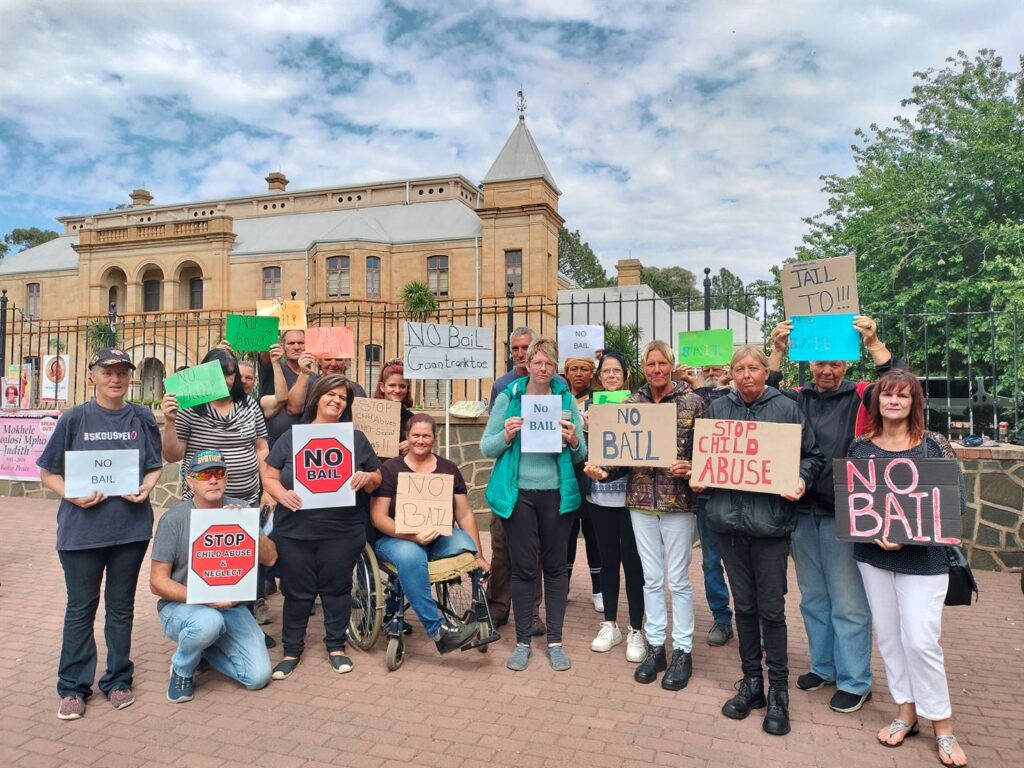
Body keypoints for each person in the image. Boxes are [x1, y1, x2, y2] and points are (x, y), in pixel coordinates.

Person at [768, 315, 902, 714]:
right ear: (809, 363)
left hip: (847, 513)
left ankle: (855, 680)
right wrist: (776, 349)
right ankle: (823, 667)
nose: (827, 370)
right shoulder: (797, 397)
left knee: (848, 602)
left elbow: (898, 385)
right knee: (813, 598)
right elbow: (765, 392)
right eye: (820, 363)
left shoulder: (863, 395)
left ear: (847, 363)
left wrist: (875, 341)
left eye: (835, 363)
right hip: (801, 510)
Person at [691, 345, 825, 736]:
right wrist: (701, 481)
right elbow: (706, 459)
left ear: (767, 372)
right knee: (744, 608)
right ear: (730, 374)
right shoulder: (717, 410)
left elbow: (812, 456)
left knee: (771, 610)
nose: (747, 374)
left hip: (769, 526)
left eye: (754, 368)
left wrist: (801, 479)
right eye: (739, 369)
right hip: (728, 525)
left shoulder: (786, 408)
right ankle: (752, 684)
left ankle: (779, 691)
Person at [847, 370, 968, 767]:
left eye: (903, 395)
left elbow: (956, 504)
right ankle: (905, 712)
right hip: (875, 558)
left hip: (925, 561)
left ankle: (943, 726)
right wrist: (876, 534)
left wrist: (908, 535)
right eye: (887, 395)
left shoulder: (934, 446)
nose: (894, 401)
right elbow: (854, 503)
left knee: (921, 641)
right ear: (876, 402)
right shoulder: (861, 448)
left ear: (915, 401)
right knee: (890, 639)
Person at [37, 348, 164, 720]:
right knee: (80, 609)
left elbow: (155, 465)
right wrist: (71, 495)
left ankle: (119, 679)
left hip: (130, 530)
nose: (115, 378)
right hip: (81, 534)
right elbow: (48, 472)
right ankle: (74, 687)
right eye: (107, 371)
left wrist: (146, 487)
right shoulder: (74, 419)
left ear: (130, 377)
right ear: (92, 374)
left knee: (121, 608)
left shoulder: (141, 417)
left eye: (123, 372)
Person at [584, 341, 705, 690]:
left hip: (678, 504)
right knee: (651, 578)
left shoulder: (693, 402)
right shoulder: (632, 403)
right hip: (639, 502)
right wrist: (604, 473)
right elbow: (621, 456)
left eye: (662, 363)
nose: (656, 369)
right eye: (650, 364)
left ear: (671, 364)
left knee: (678, 579)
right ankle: (656, 646)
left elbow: (707, 450)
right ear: (644, 368)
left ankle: (682, 649)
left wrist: (693, 467)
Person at [263, 375, 382, 678]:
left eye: (343, 397)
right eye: (331, 394)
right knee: (297, 593)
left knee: (336, 590)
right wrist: (281, 494)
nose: (337, 401)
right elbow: (269, 475)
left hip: (341, 530)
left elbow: (377, 477)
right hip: (295, 530)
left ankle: (336, 647)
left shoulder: (355, 439)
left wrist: (367, 478)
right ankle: (291, 651)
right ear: (317, 398)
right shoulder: (293, 436)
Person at [482, 336, 586, 672]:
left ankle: (554, 641)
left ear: (556, 367)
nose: (543, 369)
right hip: (519, 493)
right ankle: (523, 641)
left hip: (556, 492)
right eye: (537, 362)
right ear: (527, 363)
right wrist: (507, 435)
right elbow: (487, 447)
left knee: (556, 568)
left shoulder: (564, 398)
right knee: (524, 568)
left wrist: (572, 439)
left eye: (549, 364)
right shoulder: (511, 397)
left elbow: (581, 452)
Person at [150, 449, 277, 702]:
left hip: (231, 607)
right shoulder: (174, 519)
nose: (213, 479)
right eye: (204, 474)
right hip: (183, 607)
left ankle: (203, 651)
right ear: (190, 481)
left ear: (226, 478)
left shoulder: (239, 509)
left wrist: (246, 527)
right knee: (208, 622)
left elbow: (271, 558)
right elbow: (157, 582)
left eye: (219, 473)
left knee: (258, 677)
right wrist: (205, 598)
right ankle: (183, 668)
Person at [370, 413, 489, 653]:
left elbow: (464, 514)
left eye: (426, 436)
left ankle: (476, 613)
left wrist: (479, 555)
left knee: (465, 543)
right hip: (396, 538)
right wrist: (413, 537)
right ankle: (437, 630)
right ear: (407, 437)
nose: (421, 440)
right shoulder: (390, 469)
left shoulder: (448, 468)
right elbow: (378, 517)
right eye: (416, 435)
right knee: (412, 556)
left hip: (437, 536)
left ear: (434, 438)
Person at [579, 350, 646, 663]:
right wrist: (587, 430)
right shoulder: (589, 408)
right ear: (599, 376)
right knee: (608, 561)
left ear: (625, 375)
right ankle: (610, 624)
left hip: (632, 497)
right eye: (606, 371)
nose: (611, 375)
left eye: (616, 371)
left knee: (633, 564)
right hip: (600, 497)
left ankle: (636, 629)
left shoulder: (639, 404)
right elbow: (580, 450)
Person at [486, 326, 545, 637]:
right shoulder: (502, 386)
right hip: (507, 478)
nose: (521, 354)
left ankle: (532, 612)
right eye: (516, 349)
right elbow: (492, 437)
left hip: (538, 481)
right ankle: (497, 607)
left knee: (531, 550)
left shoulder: (554, 385)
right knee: (501, 547)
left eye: (526, 348)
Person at [161, 348, 271, 510]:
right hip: (202, 504)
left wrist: (267, 489)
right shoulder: (189, 408)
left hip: (247, 501)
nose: (225, 380)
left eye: (230, 374)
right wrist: (170, 422)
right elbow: (172, 456)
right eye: (217, 374)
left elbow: (261, 448)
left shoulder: (249, 405)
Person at [564, 356, 602, 611]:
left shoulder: (600, 400)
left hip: (591, 472)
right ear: (565, 372)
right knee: (565, 533)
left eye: (585, 369)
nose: (579, 373)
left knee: (593, 532)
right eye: (574, 369)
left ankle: (598, 588)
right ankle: (563, 585)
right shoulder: (557, 399)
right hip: (565, 473)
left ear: (592, 373)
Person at [373, 359, 415, 457]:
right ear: (382, 387)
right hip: (373, 469)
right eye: (392, 385)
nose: (397, 390)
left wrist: (412, 445)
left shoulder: (411, 419)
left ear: (407, 388)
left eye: (402, 386)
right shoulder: (367, 414)